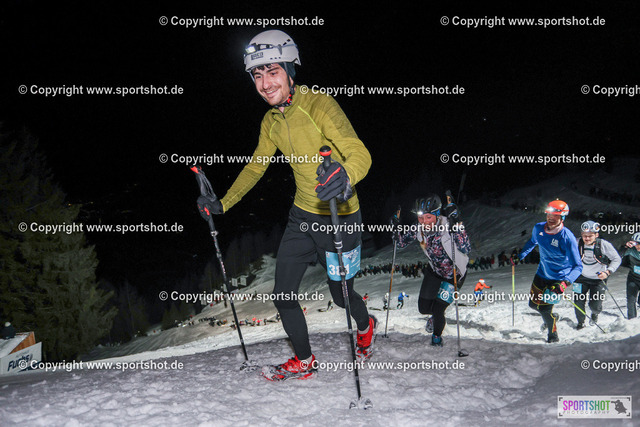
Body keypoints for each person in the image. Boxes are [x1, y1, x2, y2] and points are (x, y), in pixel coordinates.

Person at [199, 30, 375, 380]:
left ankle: (366, 324)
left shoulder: (319, 105)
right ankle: (305, 360)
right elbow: (256, 167)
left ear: (290, 71)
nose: (265, 84)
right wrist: (223, 204)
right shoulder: (271, 121)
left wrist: (346, 175)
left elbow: (359, 152)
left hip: (340, 216)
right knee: (283, 294)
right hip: (302, 218)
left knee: (342, 296)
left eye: (272, 72)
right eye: (257, 75)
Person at [396, 194, 471, 346]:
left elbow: (466, 248)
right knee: (423, 308)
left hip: (454, 275)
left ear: (437, 215)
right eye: (420, 218)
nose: (424, 222)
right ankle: (434, 317)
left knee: (438, 310)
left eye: (428, 217)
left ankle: (436, 337)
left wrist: (457, 223)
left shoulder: (448, 224)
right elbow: (400, 243)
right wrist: (395, 227)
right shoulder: (418, 227)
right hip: (435, 272)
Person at [519, 200, 582, 343]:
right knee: (533, 305)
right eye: (549, 214)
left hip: (558, 279)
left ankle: (553, 335)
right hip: (541, 273)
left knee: (544, 309)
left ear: (562, 217)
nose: (551, 217)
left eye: (555, 215)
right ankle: (552, 317)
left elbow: (578, 266)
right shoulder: (538, 228)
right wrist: (520, 255)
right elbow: (532, 241)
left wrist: (564, 283)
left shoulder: (567, 237)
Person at [574, 221, 621, 329]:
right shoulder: (576, 243)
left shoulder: (603, 245)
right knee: (578, 301)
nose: (587, 238)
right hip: (580, 277)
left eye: (590, 236)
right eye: (584, 236)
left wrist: (608, 272)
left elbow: (616, 259)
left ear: (596, 235)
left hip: (598, 279)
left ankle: (595, 313)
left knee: (595, 306)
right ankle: (581, 323)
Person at [621, 232, 640, 319]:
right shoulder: (631, 251)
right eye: (636, 244)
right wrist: (625, 247)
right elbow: (618, 257)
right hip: (633, 279)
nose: (637, 246)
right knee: (630, 300)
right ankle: (631, 320)